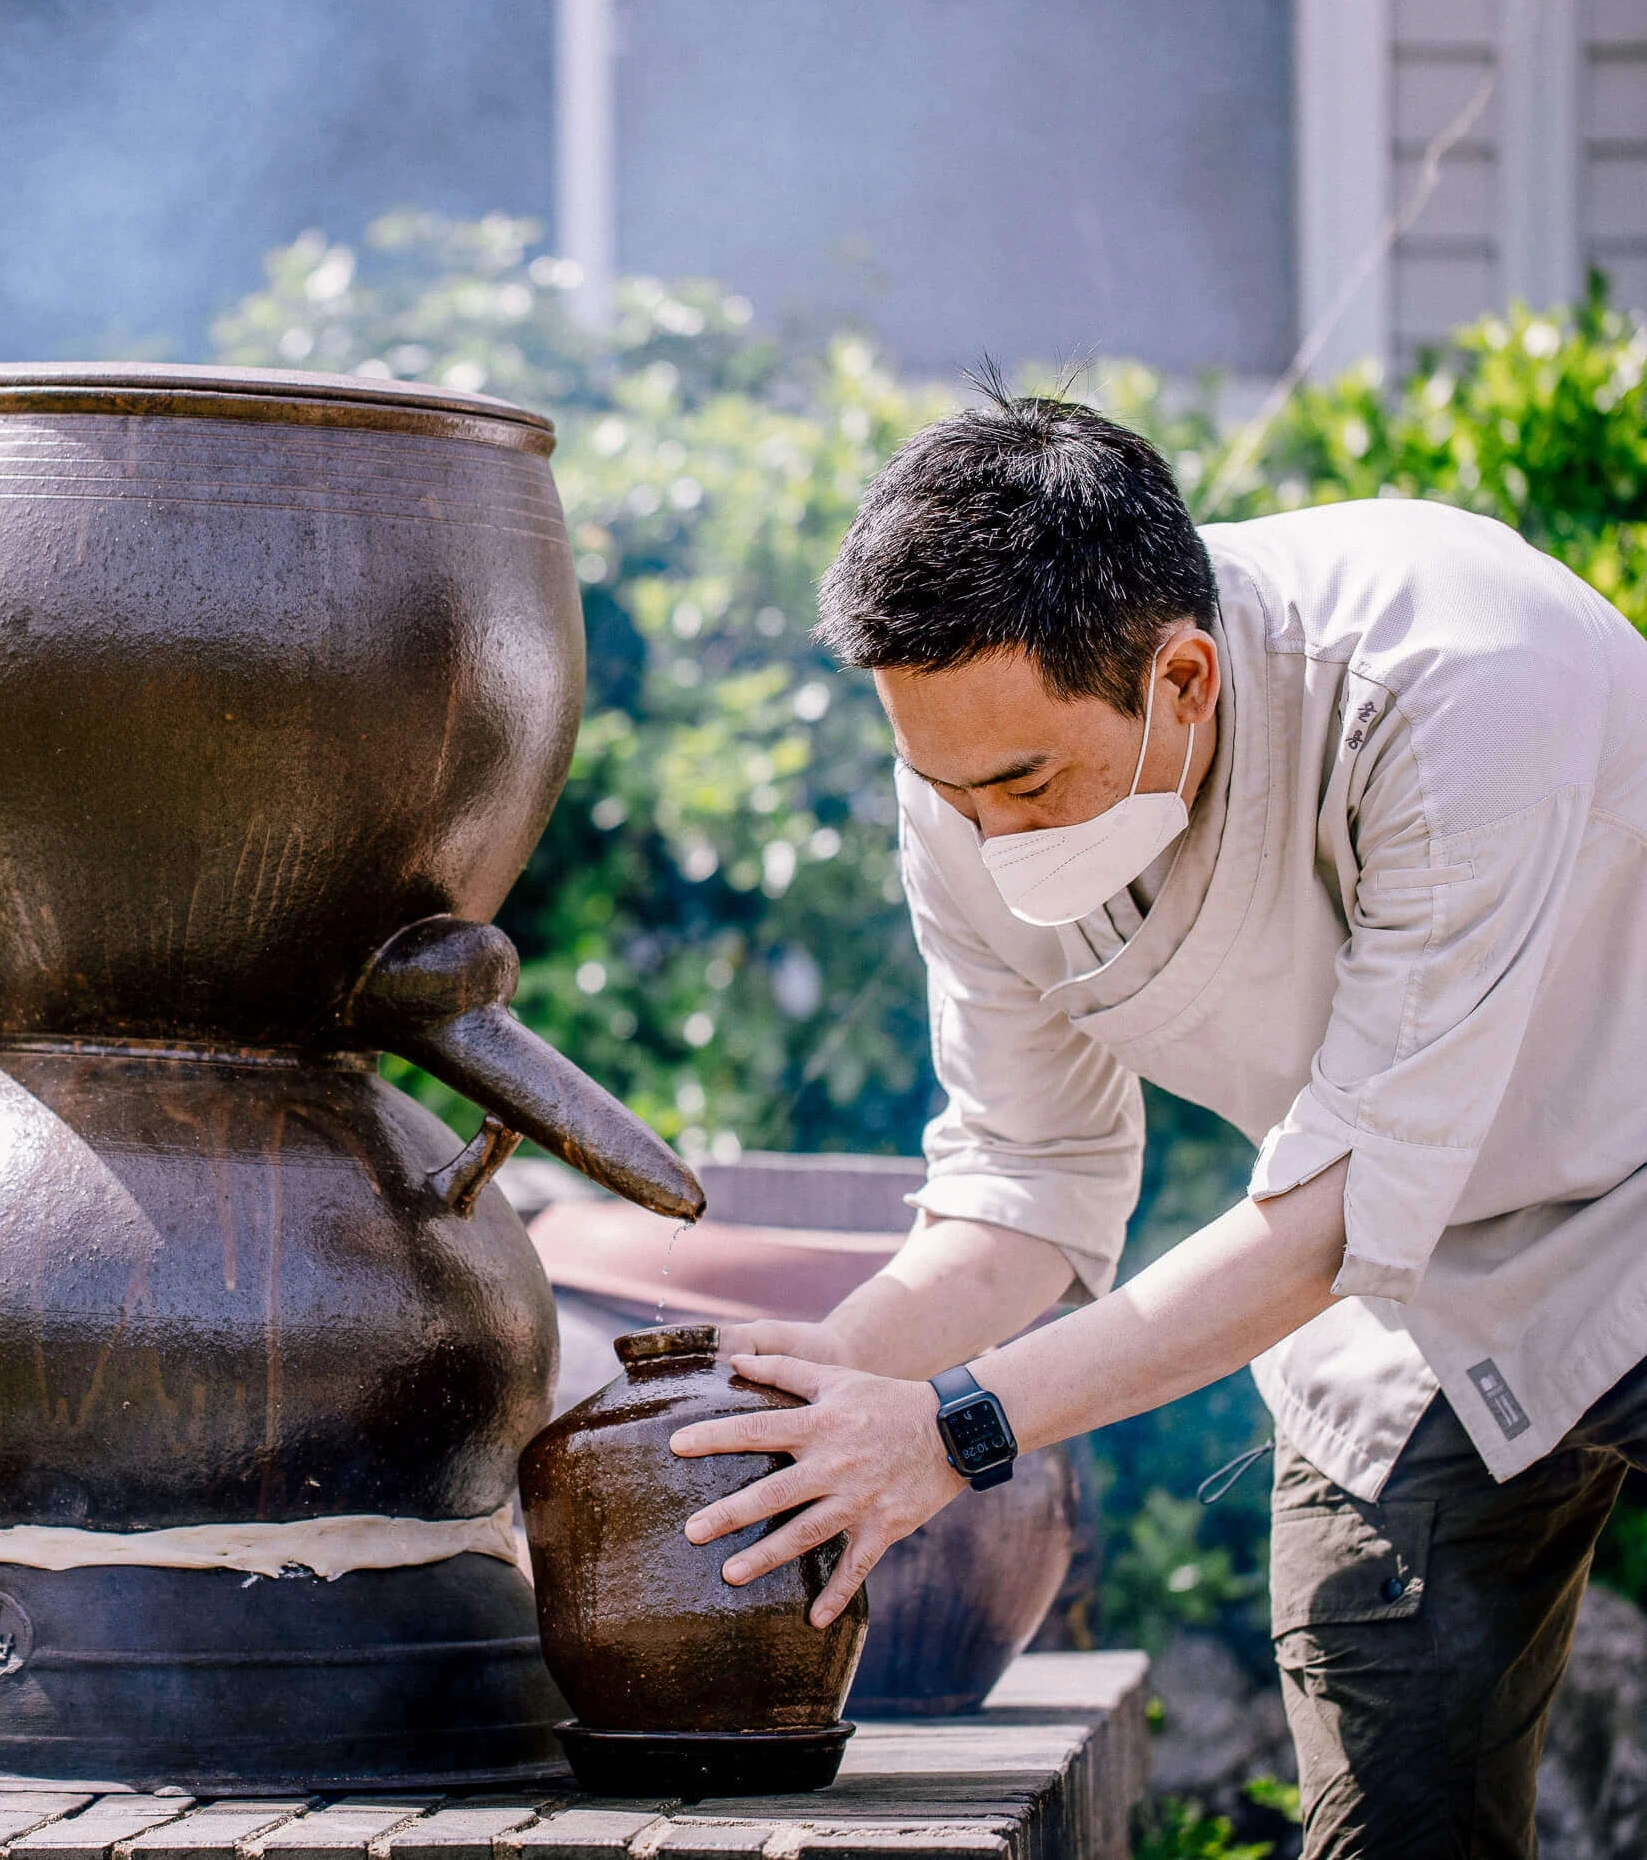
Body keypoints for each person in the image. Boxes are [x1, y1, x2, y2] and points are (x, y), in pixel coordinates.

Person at [674, 387, 1647, 1860]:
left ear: (1184, 678)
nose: (989, 837)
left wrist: (953, 1428)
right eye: (947, 791)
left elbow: (1336, 1204)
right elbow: (1026, 1178)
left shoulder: (1454, 678)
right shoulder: (967, 778)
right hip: (1403, 1304)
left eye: (1026, 784)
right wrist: (824, 1382)